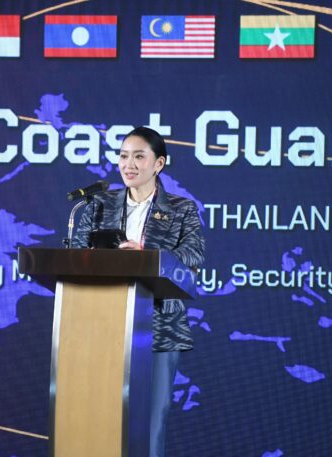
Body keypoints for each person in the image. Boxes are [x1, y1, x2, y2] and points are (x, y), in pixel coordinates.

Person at [71, 126, 205, 457]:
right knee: (100, 422)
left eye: (139, 157)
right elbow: (76, 253)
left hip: (159, 328)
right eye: (123, 156)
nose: (128, 164)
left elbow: (192, 256)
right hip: (102, 325)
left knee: (149, 425)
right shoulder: (99, 204)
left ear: (159, 164)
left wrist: (145, 254)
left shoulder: (181, 209)